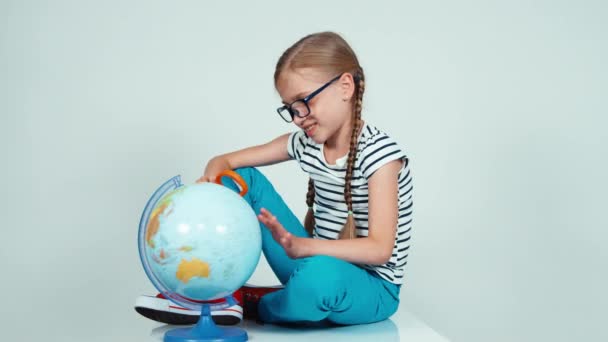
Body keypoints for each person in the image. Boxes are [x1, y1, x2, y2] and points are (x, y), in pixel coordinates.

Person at [135, 31, 413, 326]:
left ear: (345, 86)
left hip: (370, 289)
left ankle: (256, 304)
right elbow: (225, 162)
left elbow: (380, 250)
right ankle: (209, 292)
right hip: (308, 261)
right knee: (239, 178)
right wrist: (212, 185)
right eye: (290, 108)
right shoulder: (305, 143)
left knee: (318, 278)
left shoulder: (381, 156)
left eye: (303, 101)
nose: (297, 117)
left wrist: (305, 247)